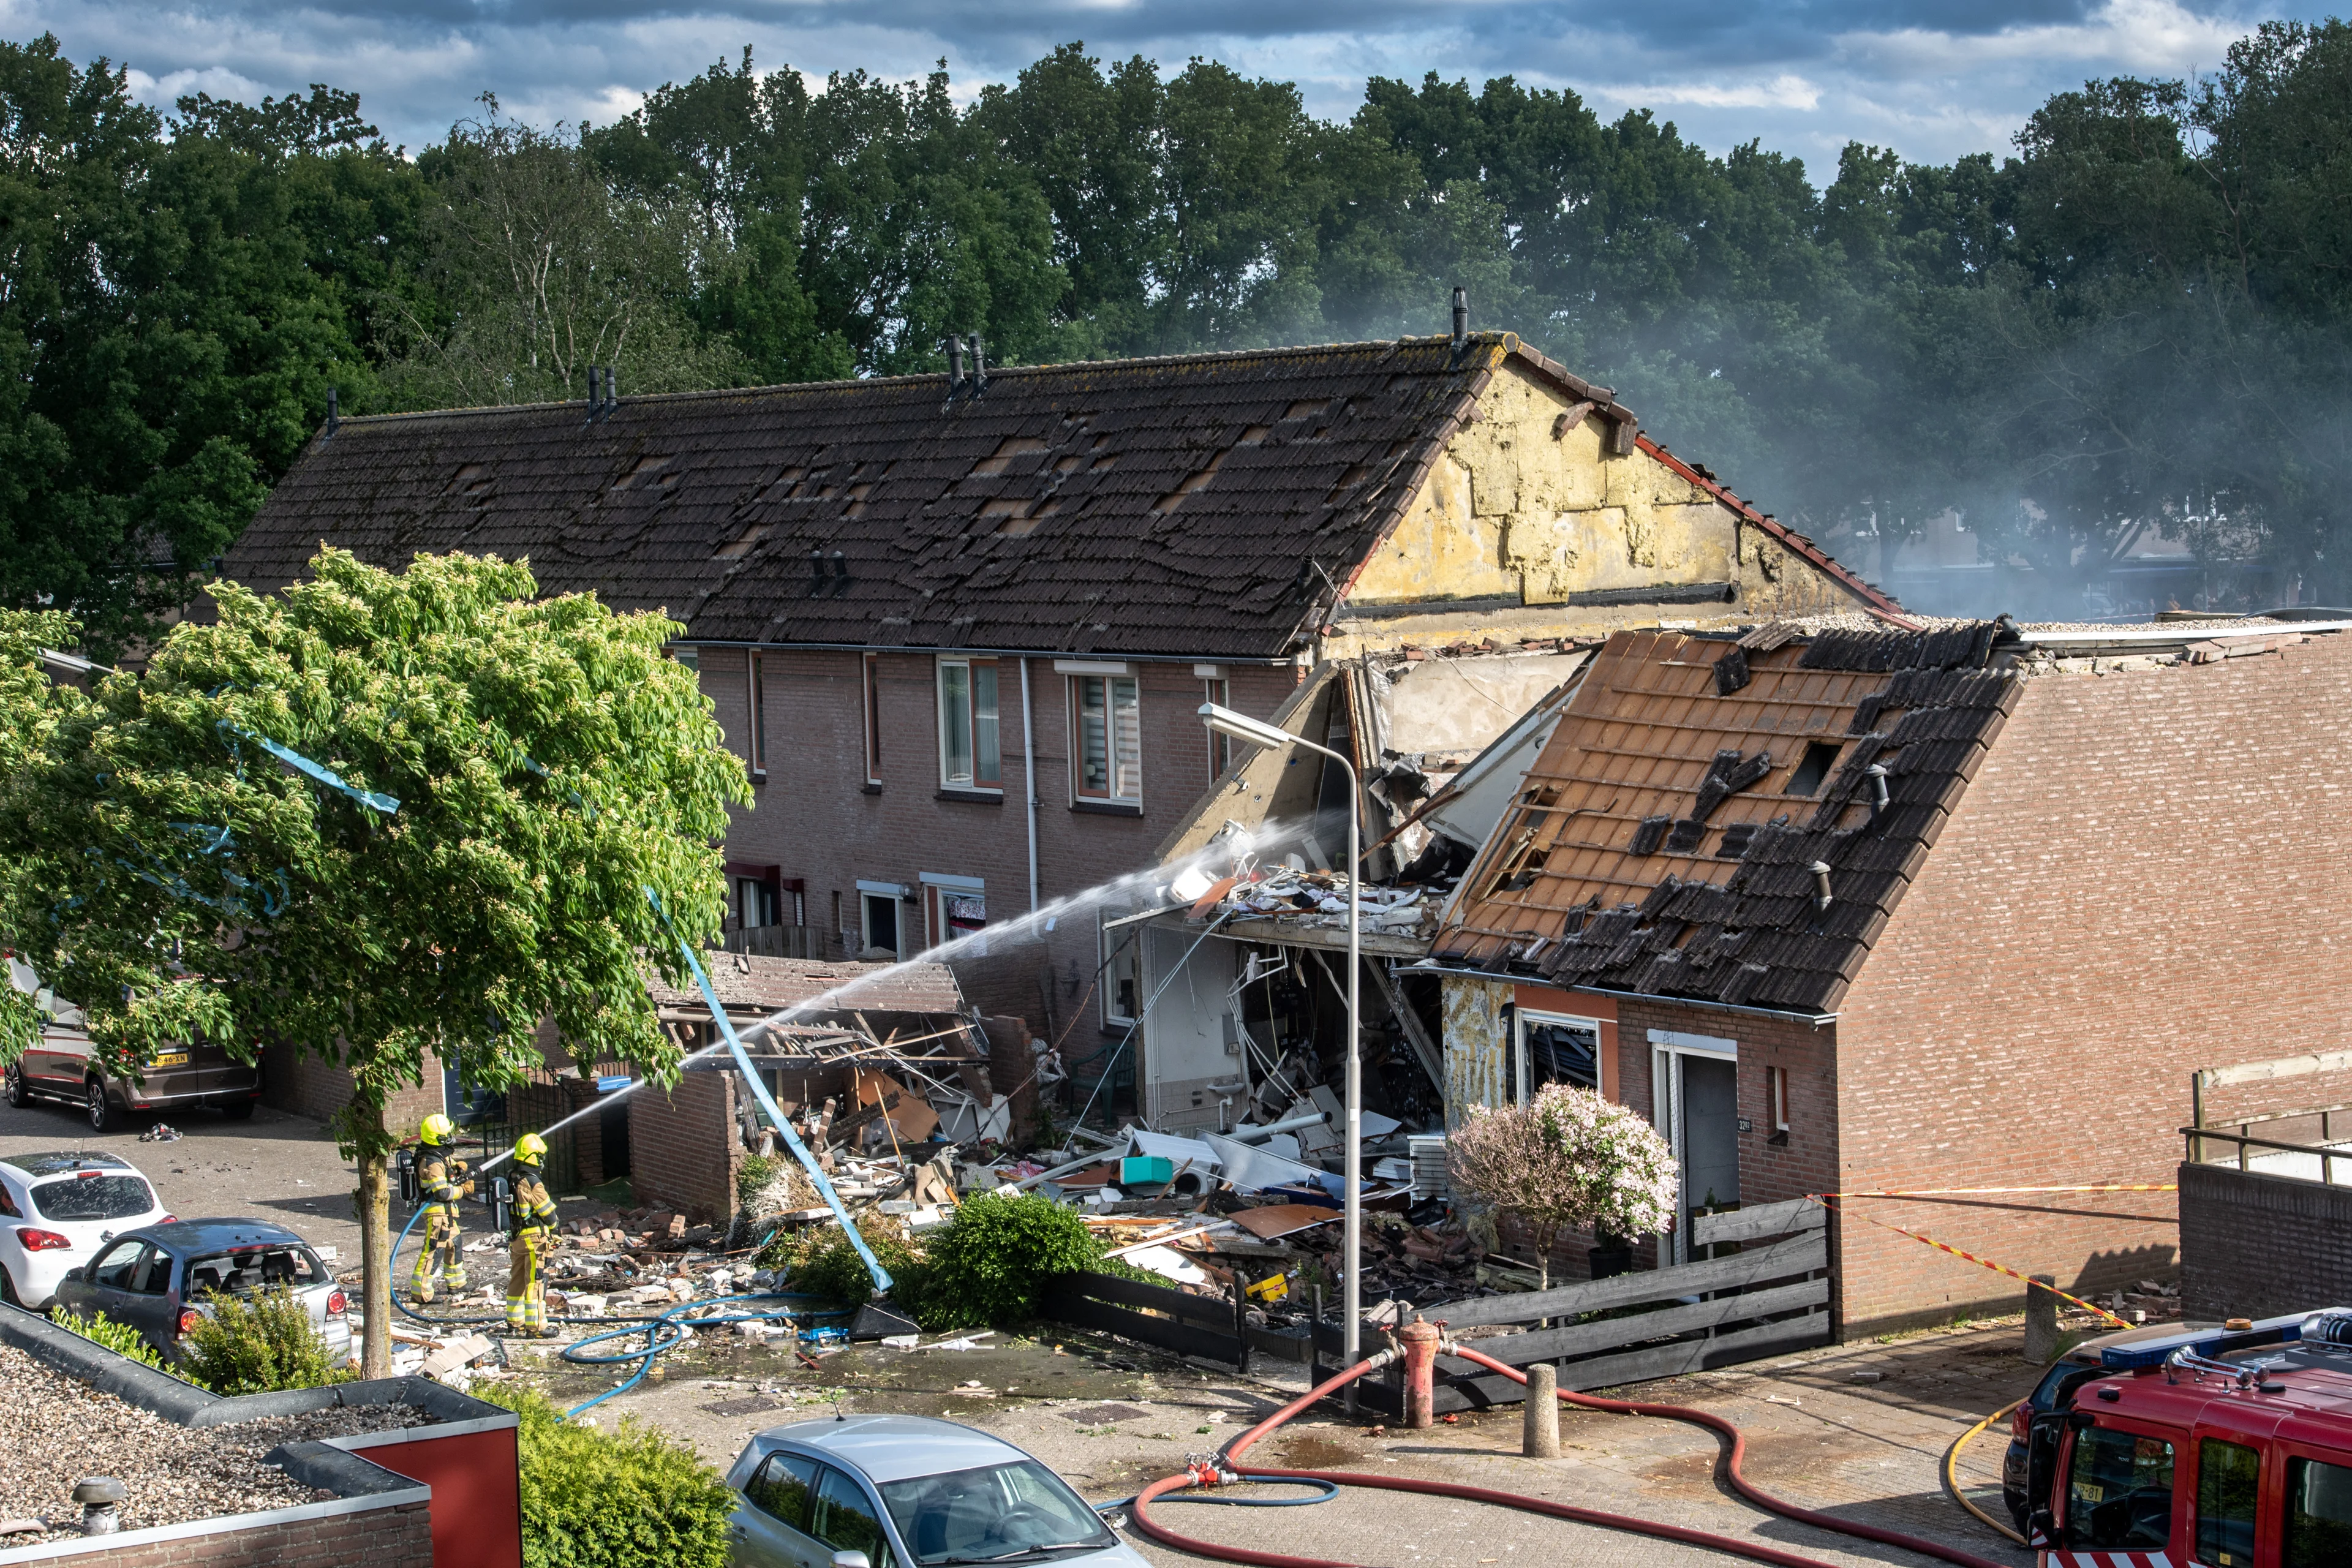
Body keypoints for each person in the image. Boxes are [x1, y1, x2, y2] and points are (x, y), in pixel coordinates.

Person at [409, 1114, 473, 1305]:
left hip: (446, 1213)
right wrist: (463, 1190)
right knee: (434, 1251)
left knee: (455, 1243)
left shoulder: (437, 1155)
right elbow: (442, 1192)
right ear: (439, 1138)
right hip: (437, 1213)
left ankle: (457, 1283)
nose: (451, 1136)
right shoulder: (431, 1162)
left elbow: (448, 1168)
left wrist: (458, 1168)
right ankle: (421, 1293)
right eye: (448, 1133)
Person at [505, 1133, 560, 1336]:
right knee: (535, 1283)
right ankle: (536, 1327)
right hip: (534, 1241)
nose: (542, 1160)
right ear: (532, 1157)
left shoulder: (512, 1177)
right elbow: (549, 1214)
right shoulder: (532, 1181)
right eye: (540, 1156)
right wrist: (555, 1225)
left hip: (518, 1238)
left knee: (517, 1280)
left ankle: (514, 1323)